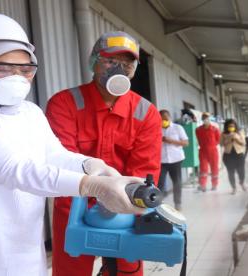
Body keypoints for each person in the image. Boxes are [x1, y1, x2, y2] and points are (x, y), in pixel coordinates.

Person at [0, 14, 144, 276]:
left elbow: (52, 155)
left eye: (25, 70)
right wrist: (92, 185)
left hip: (25, 251)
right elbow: (13, 169)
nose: (17, 78)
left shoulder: (29, 112)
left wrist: (90, 165)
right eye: (3, 68)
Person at [46, 31, 162, 276]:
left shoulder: (146, 113)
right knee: (71, 270)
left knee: (128, 270)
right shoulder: (65, 103)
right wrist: (95, 193)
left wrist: (129, 201)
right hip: (73, 205)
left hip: (126, 205)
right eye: (110, 61)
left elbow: (144, 170)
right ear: (93, 61)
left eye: (127, 63)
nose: (119, 68)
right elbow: (62, 162)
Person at [158, 109, 189, 210]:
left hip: (176, 159)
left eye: (165, 119)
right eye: (161, 119)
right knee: (160, 183)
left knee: (177, 182)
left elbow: (185, 143)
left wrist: (170, 140)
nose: (164, 121)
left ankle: (178, 203)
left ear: (169, 118)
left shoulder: (177, 128)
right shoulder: (156, 128)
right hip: (161, 160)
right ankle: (158, 205)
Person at [195, 112, 221, 192]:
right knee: (203, 169)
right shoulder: (198, 130)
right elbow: (198, 139)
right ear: (202, 119)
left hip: (213, 151)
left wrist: (211, 146)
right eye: (204, 118)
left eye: (207, 118)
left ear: (210, 119)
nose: (206, 120)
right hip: (203, 151)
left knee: (214, 168)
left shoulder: (215, 129)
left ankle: (214, 185)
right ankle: (202, 185)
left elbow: (218, 140)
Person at [221, 119, 246, 194]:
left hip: (239, 154)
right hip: (228, 155)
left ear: (235, 126)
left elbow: (243, 143)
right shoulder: (223, 134)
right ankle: (234, 187)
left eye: (233, 126)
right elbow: (221, 144)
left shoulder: (240, 132)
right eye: (229, 126)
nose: (231, 127)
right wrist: (229, 138)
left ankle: (241, 182)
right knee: (230, 172)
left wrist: (236, 138)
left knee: (241, 171)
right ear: (226, 127)